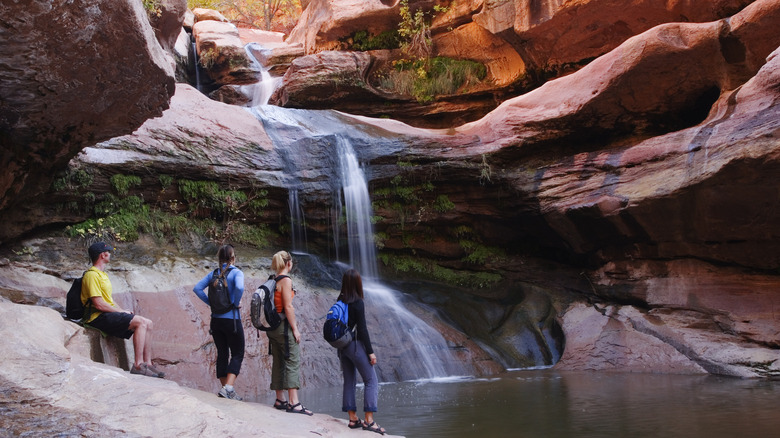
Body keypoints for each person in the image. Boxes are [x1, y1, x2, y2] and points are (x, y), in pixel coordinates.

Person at [81, 241, 164, 378]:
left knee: (149, 323)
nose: (110, 255)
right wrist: (120, 312)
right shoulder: (92, 275)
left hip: (105, 314)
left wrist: (122, 310)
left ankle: (148, 364)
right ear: (103, 255)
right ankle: (138, 365)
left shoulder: (102, 275)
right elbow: (99, 304)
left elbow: (109, 300)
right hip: (96, 317)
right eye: (109, 252)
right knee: (141, 322)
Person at [193, 244, 246, 401]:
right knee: (237, 353)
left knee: (222, 354)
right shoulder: (236, 273)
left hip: (216, 321)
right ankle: (229, 388)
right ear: (233, 258)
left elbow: (197, 289)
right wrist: (235, 302)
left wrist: (211, 303)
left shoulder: (213, 274)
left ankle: (225, 389)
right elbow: (240, 287)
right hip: (232, 321)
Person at [337, 269, 385, 435]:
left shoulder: (340, 299)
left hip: (342, 347)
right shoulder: (358, 302)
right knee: (371, 380)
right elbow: (362, 330)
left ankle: (353, 418)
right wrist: (370, 352)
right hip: (355, 346)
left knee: (349, 381)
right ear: (358, 283)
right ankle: (369, 421)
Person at [267, 250, 314, 415]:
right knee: (292, 360)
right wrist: (295, 329)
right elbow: (288, 306)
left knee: (279, 361)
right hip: (283, 327)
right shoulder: (285, 280)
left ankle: (280, 399)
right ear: (289, 263)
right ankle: (294, 403)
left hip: (272, 327)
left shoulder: (272, 279)